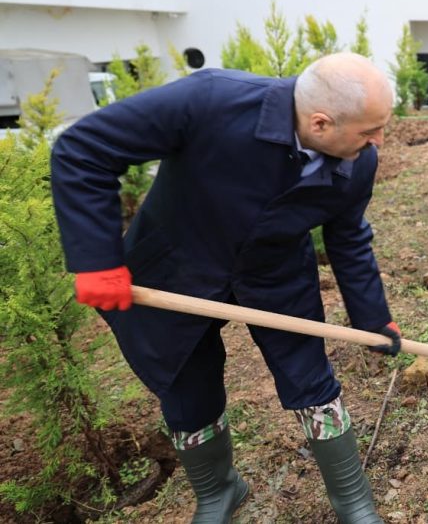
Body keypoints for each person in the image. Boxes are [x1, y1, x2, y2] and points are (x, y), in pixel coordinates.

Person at [50, 52, 400, 523]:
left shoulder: (359, 161)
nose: (379, 141)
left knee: (310, 380)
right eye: (369, 130)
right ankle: (219, 491)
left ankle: (353, 502)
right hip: (175, 267)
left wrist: (373, 318)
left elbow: (348, 235)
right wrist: (96, 260)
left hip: (275, 272)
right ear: (320, 123)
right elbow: (84, 149)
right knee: (185, 384)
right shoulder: (210, 100)